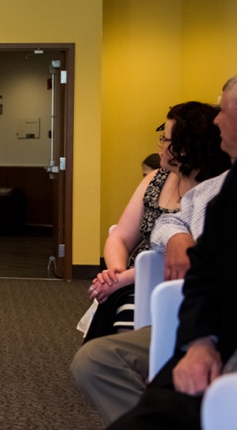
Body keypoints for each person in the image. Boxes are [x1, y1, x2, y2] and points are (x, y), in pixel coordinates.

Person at [71, 79, 237, 425]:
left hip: (173, 290)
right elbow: (137, 231)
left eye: (225, 110)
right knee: (100, 352)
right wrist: (118, 272)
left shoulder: (216, 184)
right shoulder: (216, 187)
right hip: (164, 287)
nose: (218, 119)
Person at [83, 101, 230, 342]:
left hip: (180, 284)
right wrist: (115, 272)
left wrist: (125, 279)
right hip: (132, 279)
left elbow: (199, 259)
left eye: (165, 139)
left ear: (184, 148)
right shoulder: (155, 179)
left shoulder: (215, 190)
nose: (159, 146)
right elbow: (119, 236)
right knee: (120, 309)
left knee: (126, 321)